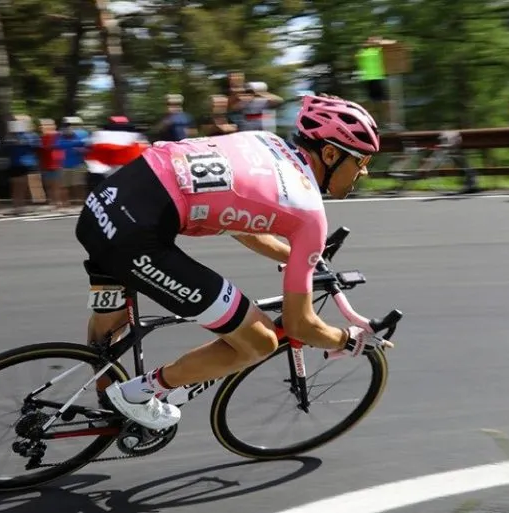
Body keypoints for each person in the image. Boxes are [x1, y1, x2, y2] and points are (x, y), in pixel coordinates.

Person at [74, 94, 392, 431]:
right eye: (361, 160)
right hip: (136, 236)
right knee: (261, 340)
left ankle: (105, 398)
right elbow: (300, 325)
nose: (365, 170)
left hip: (103, 205)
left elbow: (239, 220)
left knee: (112, 322)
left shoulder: (265, 142)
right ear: (330, 154)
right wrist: (346, 339)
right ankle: (138, 394)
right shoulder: (311, 215)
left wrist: (297, 256)